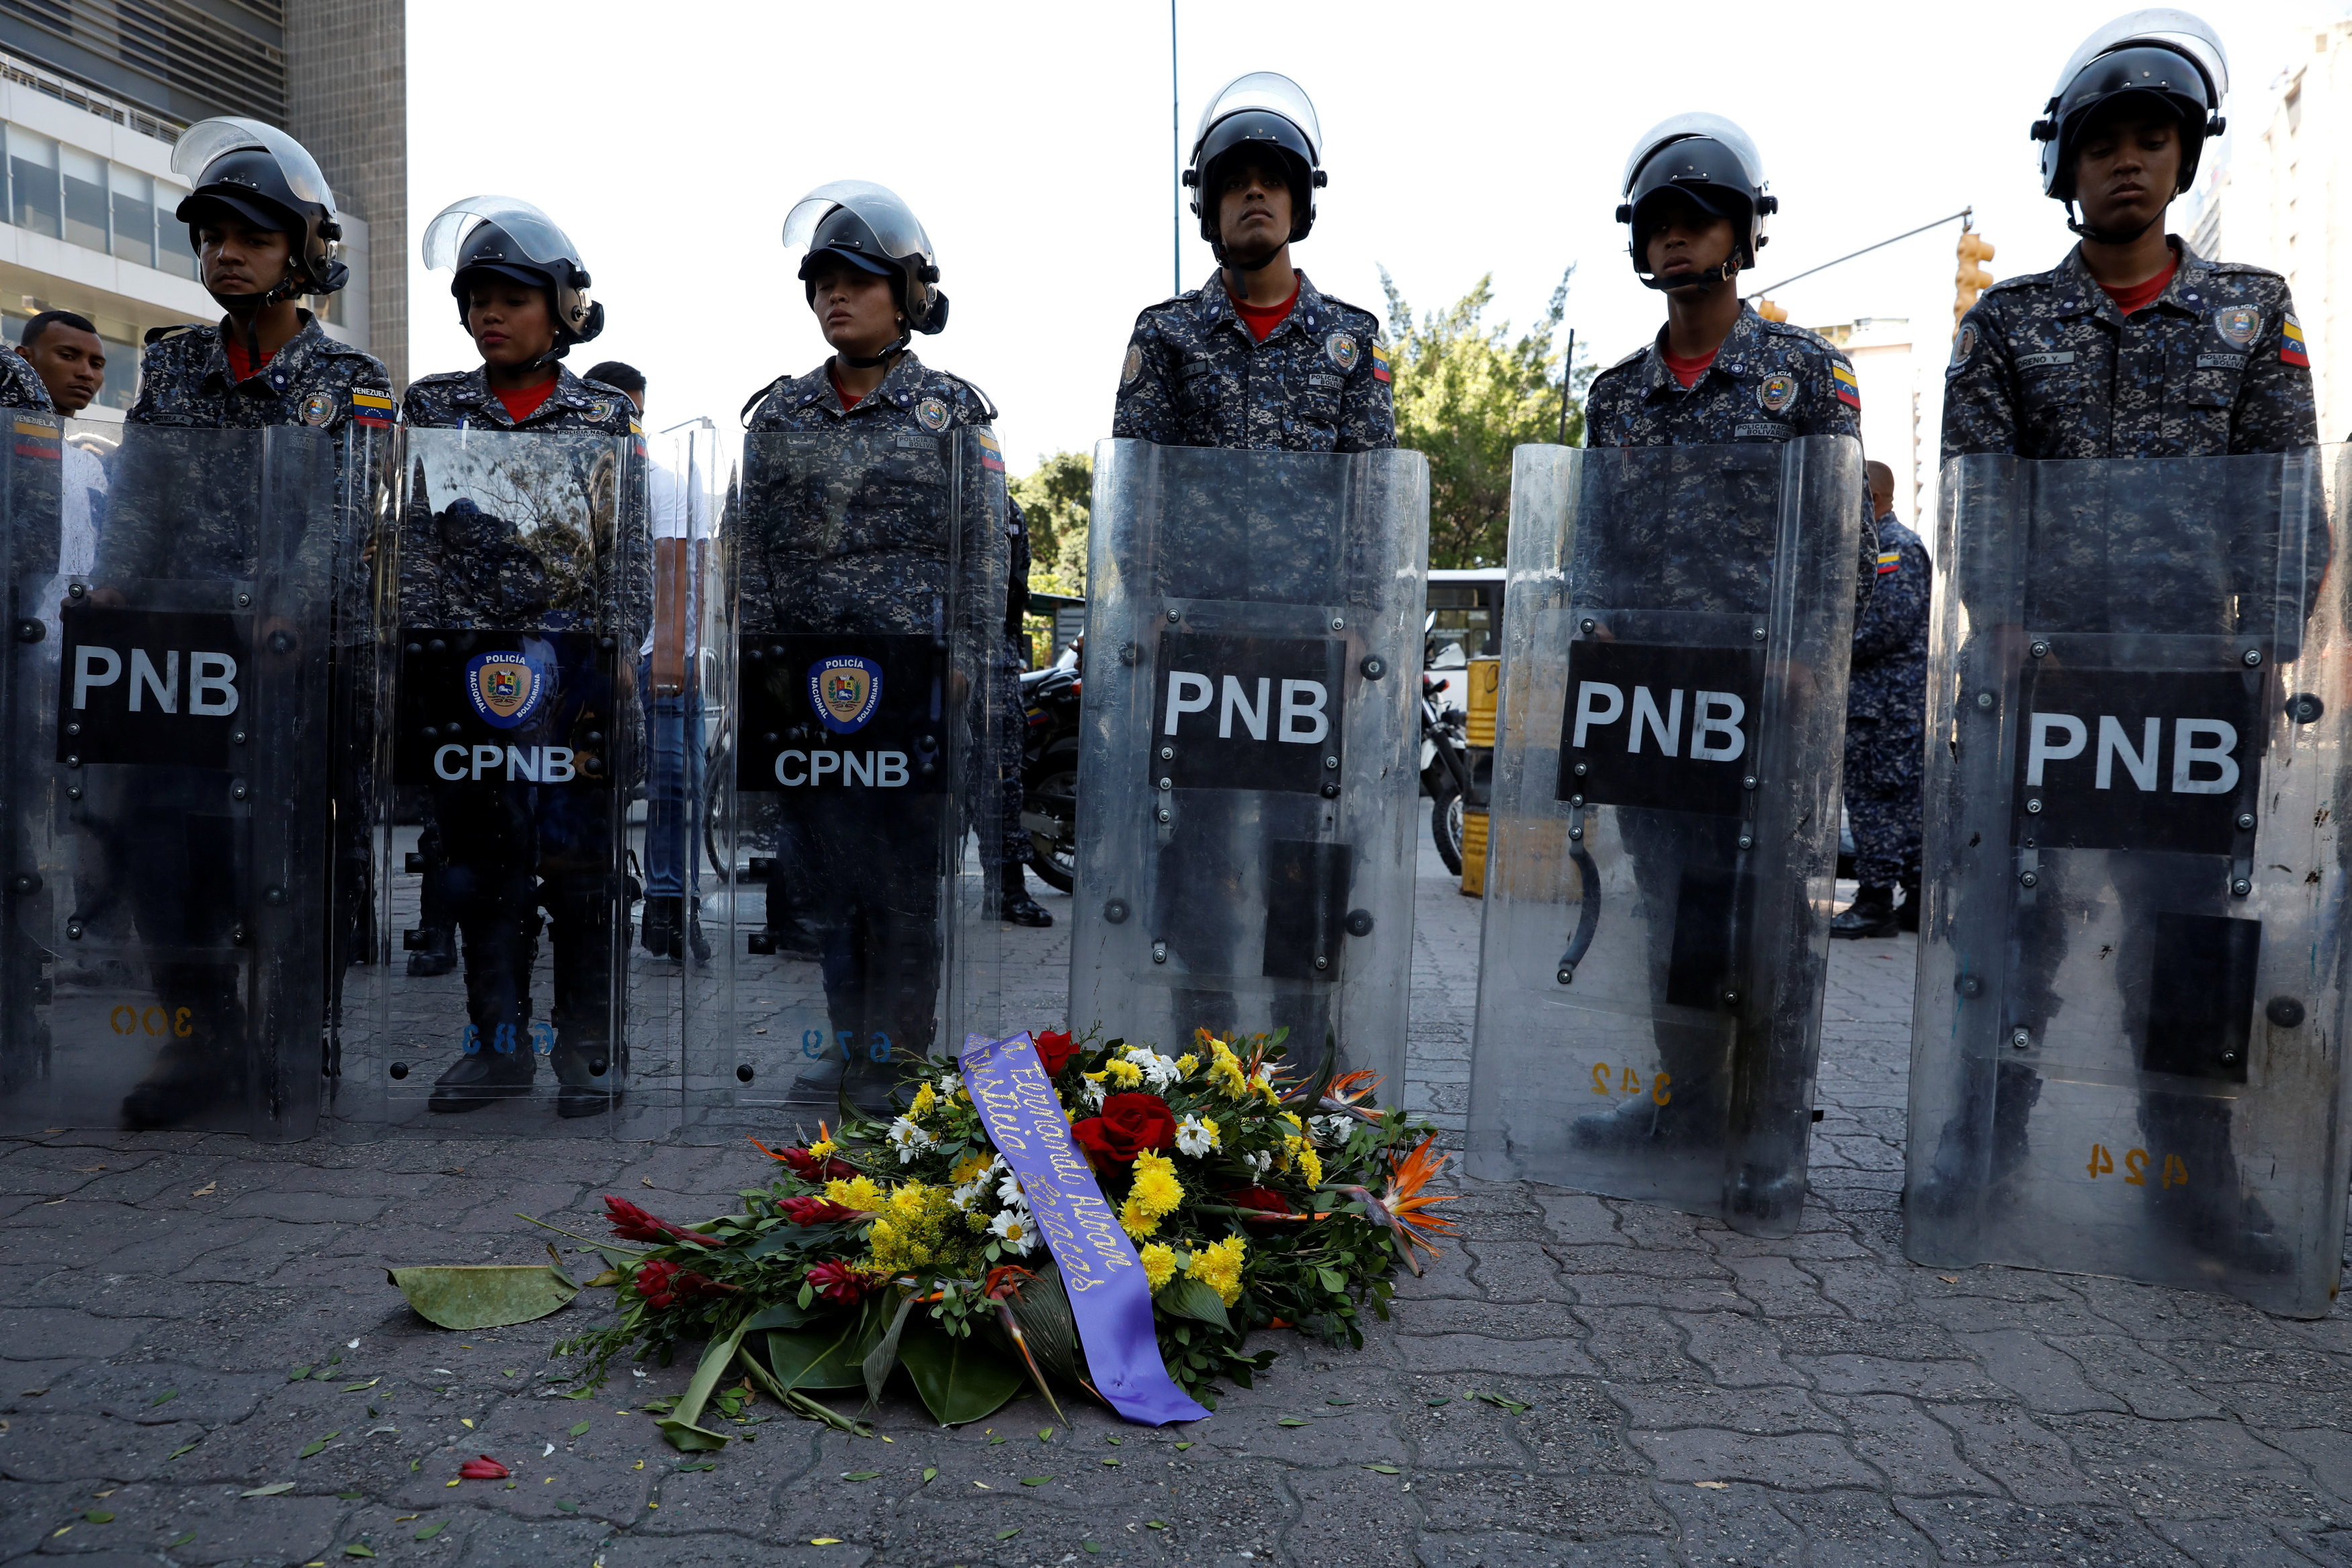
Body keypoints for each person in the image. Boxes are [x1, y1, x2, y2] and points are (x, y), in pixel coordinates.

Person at [1923, 11, 2314, 1274]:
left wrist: (2272, 644)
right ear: (2067, 168)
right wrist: (2009, 625)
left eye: (2154, 140)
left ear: (2184, 160)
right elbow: (1975, 487)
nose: (2130, 164)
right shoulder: (2007, 324)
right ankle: (1980, 1153)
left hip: (2192, 685)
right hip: (2046, 681)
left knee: (2188, 940)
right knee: (2015, 929)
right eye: (2105, 146)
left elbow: (2284, 493)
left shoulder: (2252, 315)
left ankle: (2194, 1183)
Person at [1571, 112, 1876, 1155]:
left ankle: (1765, 1123)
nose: (1678, 238)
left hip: (1771, 699)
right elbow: (1594, 553)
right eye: (1659, 222)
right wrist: (1596, 642)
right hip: (1658, 707)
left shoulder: (1807, 376)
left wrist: (1806, 660)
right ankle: (1688, 1102)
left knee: (1768, 914)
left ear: (1745, 235)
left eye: (1702, 219)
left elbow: (1844, 548)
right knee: (1672, 908)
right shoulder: (1618, 397)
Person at [91, 117, 392, 1131]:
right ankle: (196, 1043)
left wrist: (288, 610)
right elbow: (137, 501)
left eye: (252, 237)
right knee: (161, 850)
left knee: (290, 854)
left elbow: (347, 517)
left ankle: (292, 1041)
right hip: (174, 662)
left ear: (304, 252)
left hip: (290, 659)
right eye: (212, 235)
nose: (226, 252)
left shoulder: (350, 380)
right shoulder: (172, 365)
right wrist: (115, 591)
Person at [737, 179, 1007, 1096]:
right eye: (822, 283)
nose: (834, 298)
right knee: (831, 873)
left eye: (856, 280)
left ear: (908, 295)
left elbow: (981, 551)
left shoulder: (952, 413)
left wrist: (967, 658)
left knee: (902, 875)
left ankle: (899, 1053)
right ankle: (848, 1042)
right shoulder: (778, 417)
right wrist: (763, 669)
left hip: (915, 685)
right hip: (810, 687)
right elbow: (755, 554)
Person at [403, 196, 646, 1118]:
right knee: (477, 871)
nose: (488, 315)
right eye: (475, 298)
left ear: (563, 309)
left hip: (574, 678)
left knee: (581, 873)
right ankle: (496, 1048)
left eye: (511, 296)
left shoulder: (602, 416)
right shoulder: (434, 406)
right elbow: (416, 539)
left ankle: (590, 1052)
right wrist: (420, 653)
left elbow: (625, 547)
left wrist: (620, 654)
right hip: (468, 677)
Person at [1114, 72, 1390, 452]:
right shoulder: (1166, 333)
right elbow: (1138, 489)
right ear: (1211, 211)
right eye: (1234, 184)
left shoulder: (1351, 337)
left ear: (1298, 209)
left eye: (1274, 182)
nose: (1255, 191)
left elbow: (1372, 492)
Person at [582, 357, 716, 964]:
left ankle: (668, 907)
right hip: (596, 660)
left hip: (657, 662)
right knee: (604, 788)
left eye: (631, 408)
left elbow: (677, 568)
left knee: (674, 788)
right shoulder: (581, 478)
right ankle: (602, 901)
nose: (622, 419)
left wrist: (670, 657)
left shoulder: (659, 480)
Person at [1833, 460, 1929, 939]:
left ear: (1876, 498)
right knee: (1897, 802)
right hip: (1879, 703)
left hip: (1886, 705)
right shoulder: (1870, 548)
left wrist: (1822, 648)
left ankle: (1875, 901)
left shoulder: (1893, 548)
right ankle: (1912, 900)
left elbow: (1885, 626)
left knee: (1876, 802)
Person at [17, 311, 110, 576]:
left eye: (97, 364)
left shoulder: (91, 464)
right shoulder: (7, 447)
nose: (86, 373)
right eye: (68, 356)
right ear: (24, 358)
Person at [997, 494, 1052, 928]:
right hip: (919, 649)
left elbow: (1017, 585)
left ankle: (1008, 891)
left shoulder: (1005, 506)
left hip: (994, 653)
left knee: (1001, 779)